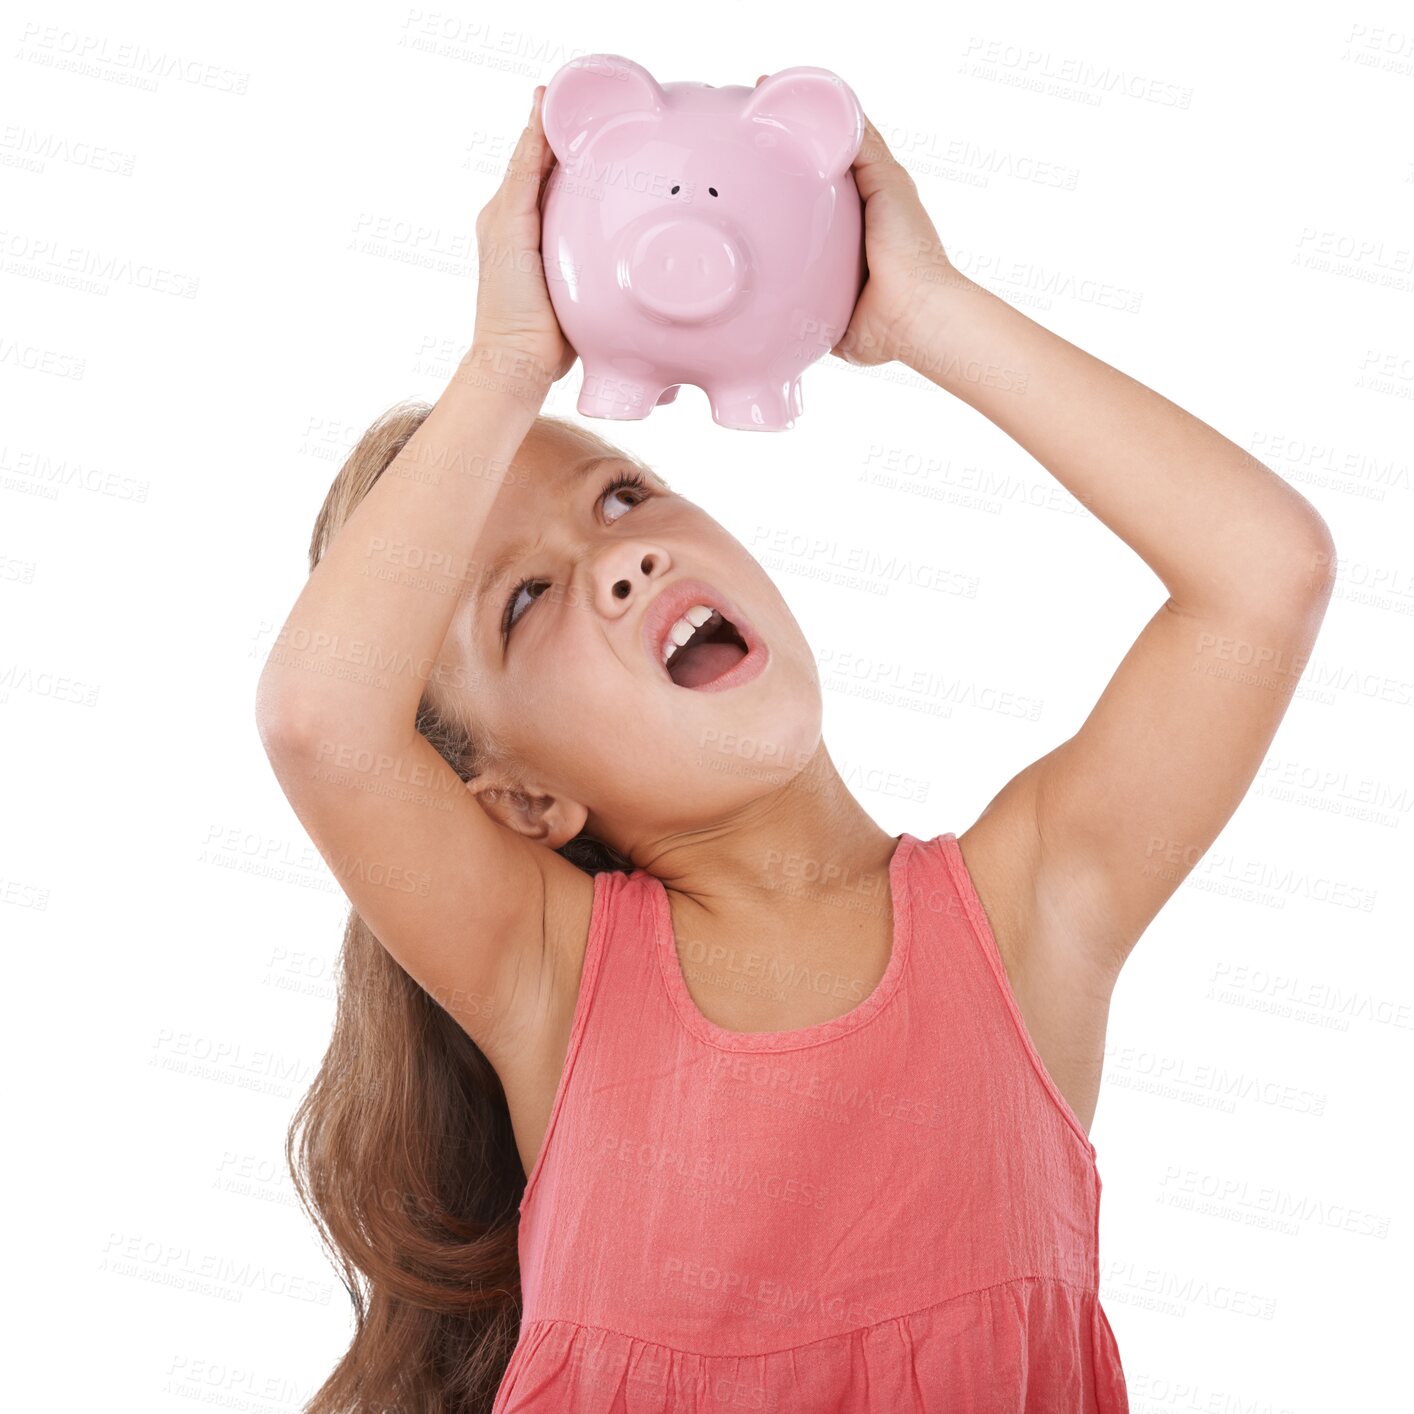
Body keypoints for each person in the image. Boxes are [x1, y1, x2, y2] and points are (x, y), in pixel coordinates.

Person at [255, 78, 1335, 1414]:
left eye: (619, 493)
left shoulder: (1027, 911)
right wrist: (507, 363)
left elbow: (1263, 571)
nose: (621, 554)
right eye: (524, 601)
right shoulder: (546, 975)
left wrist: (922, 310)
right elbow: (320, 720)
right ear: (521, 795)